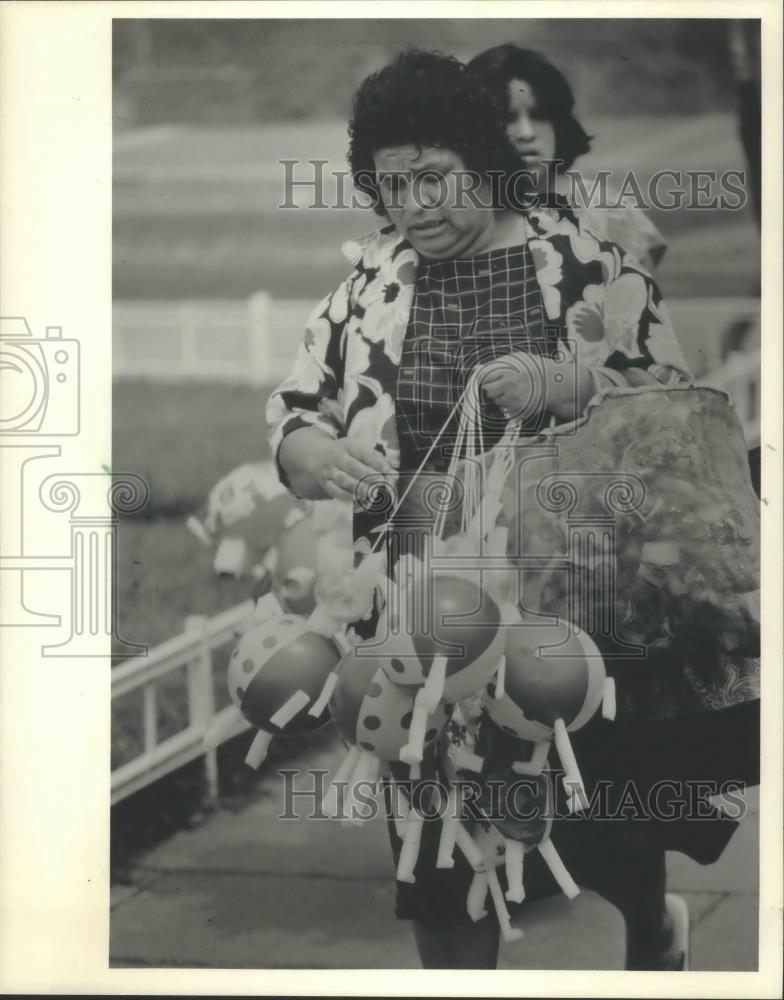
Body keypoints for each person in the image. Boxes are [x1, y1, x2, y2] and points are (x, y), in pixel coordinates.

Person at [266, 49, 758, 971]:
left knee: (607, 832)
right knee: (442, 867)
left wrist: (573, 380)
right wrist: (316, 455)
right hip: (423, 626)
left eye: (434, 178)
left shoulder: (588, 268)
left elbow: (674, 412)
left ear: (483, 162)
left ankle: (653, 927)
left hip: (579, 607)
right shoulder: (359, 299)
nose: (414, 205)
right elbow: (295, 414)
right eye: (391, 185)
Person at [467, 44, 667, 271]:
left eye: (539, 115)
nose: (527, 133)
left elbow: (638, 299)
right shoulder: (459, 211)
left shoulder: (604, 209)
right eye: (508, 118)